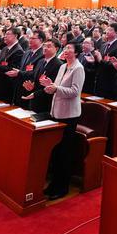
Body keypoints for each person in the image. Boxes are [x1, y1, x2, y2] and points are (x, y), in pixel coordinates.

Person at [43, 43, 84, 200]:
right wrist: (49, 88)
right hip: (57, 111)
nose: (66, 51)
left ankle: (62, 187)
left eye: (70, 49)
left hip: (69, 115)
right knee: (56, 151)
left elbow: (74, 92)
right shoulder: (62, 67)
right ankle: (53, 184)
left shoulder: (78, 68)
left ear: (77, 53)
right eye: (65, 48)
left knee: (65, 153)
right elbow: (57, 87)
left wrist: (55, 89)